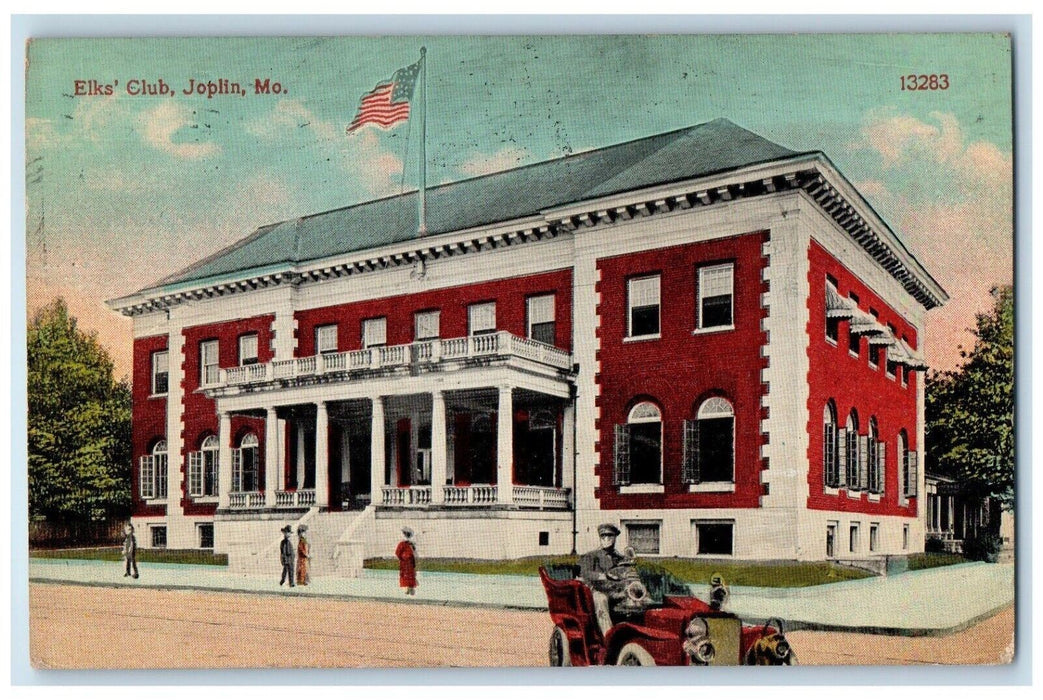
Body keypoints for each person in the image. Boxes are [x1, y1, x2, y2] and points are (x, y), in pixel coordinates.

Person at [578, 523, 628, 634]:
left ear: (615, 538)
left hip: (616, 589)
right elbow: (585, 573)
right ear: (600, 538)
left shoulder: (620, 558)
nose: (606, 539)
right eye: (603, 536)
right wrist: (603, 576)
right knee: (601, 599)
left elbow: (625, 572)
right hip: (597, 590)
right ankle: (608, 635)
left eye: (610, 536)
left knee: (637, 600)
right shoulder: (591, 555)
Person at [395, 527, 417, 596]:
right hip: (407, 562)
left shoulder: (406, 544)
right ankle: (409, 588)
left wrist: (402, 558)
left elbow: (397, 553)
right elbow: (398, 553)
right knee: (408, 575)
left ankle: (409, 588)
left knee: (407, 575)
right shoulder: (407, 544)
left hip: (407, 562)